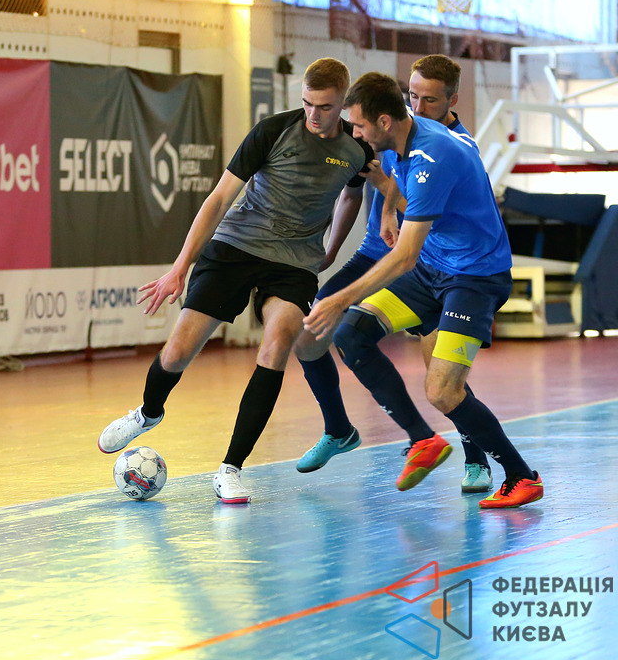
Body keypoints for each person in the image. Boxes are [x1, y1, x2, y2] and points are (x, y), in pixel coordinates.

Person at [96, 58, 373, 504]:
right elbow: (220, 197)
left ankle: (231, 468)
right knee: (178, 352)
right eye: (307, 103)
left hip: (294, 263)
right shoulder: (273, 131)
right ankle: (148, 413)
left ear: (343, 101)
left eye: (324, 107)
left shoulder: (358, 147)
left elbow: (353, 194)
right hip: (236, 246)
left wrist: (332, 248)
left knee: (277, 343)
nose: (313, 114)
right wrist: (180, 267)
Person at [303, 72, 542, 510]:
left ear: (384, 121)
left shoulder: (435, 155)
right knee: (351, 334)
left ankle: (521, 476)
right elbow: (396, 171)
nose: (355, 134)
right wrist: (387, 209)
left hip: (474, 278)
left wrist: (339, 298)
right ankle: (422, 440)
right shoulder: (401, 135)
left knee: (443, 391)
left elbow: (405, 257)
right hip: (434, 268)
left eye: (359, 126)